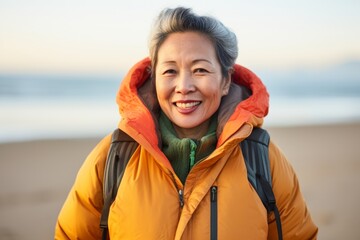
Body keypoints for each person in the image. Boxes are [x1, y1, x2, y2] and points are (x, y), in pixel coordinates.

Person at [55, 7, 318, 239]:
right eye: (170, 71)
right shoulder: (115, 156)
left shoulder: (261, 157)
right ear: (154, 79)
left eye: (200, 70)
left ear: (226, 81)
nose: (184, 87)